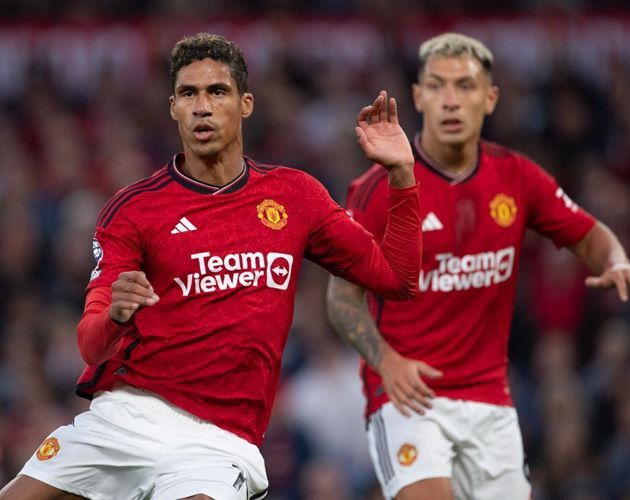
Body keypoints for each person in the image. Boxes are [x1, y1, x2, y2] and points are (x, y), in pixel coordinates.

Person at [0, 33, 423, 500]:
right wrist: (115, 314)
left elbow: (397, 278)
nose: (202, 107)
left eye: (217, 91)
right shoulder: (134, 209)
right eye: (188, 94)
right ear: (173, 108)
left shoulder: (294, 196)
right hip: (127, 417)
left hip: (218, 440)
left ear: (245, 104)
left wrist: (402, 176)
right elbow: (89, 344)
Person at [326, 32, 630, 500]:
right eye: (438, 86)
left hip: (488, 400)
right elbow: (340, 296)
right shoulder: (379, 186)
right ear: (418, 96)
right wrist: (386, 362)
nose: (451, 100)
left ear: (490, 98)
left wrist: (616, 260)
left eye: (465, 86)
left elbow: (588, 233)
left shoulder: (516, 176)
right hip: (406, 394)